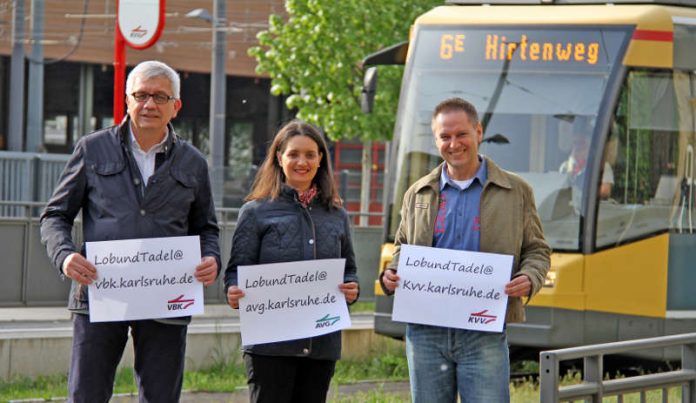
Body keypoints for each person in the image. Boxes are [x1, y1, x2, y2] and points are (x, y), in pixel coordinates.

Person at [40, 60, 220, 402]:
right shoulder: (92, 149)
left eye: (159, 97)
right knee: (86, 393)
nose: (149, 104)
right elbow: (55, 215)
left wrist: (211, 257)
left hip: (166, 299)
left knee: (160, 395)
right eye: (141, 95)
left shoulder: (193, 162)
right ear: (127, 100)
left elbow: (206, 227)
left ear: (175, 107)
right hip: (99, 293)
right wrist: (65, 256)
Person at [380, 98, 550, 402]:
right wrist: (391, 273)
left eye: (461, 135)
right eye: (445, 137)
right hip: (425, 331)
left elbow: (537, 250)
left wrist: (529, 277)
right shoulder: (417, 192)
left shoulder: (516, 191)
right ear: (436, 140)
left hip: (483, 329)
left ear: (479, 132)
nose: (453, 143)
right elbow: (403, 248)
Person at [225, 120, 359, 403]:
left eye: (310, 154)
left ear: (321, 159)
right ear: (279, 157)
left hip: (320, 347)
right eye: (294, 154)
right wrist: (234, 290)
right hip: (269, 347)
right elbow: (236, 272)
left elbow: (349, 270)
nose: (302, 161)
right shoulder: (255, 212)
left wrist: (352, 289)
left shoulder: (336, 215)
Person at [559, 127, 614, 200]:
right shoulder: (565, 167)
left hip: (590, 208)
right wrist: (571, 170)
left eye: (581, 143)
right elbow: (560, 191)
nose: (578, 147)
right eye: (575, 143)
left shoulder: (602, 166)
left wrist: (581, 190)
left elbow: (605, 191)